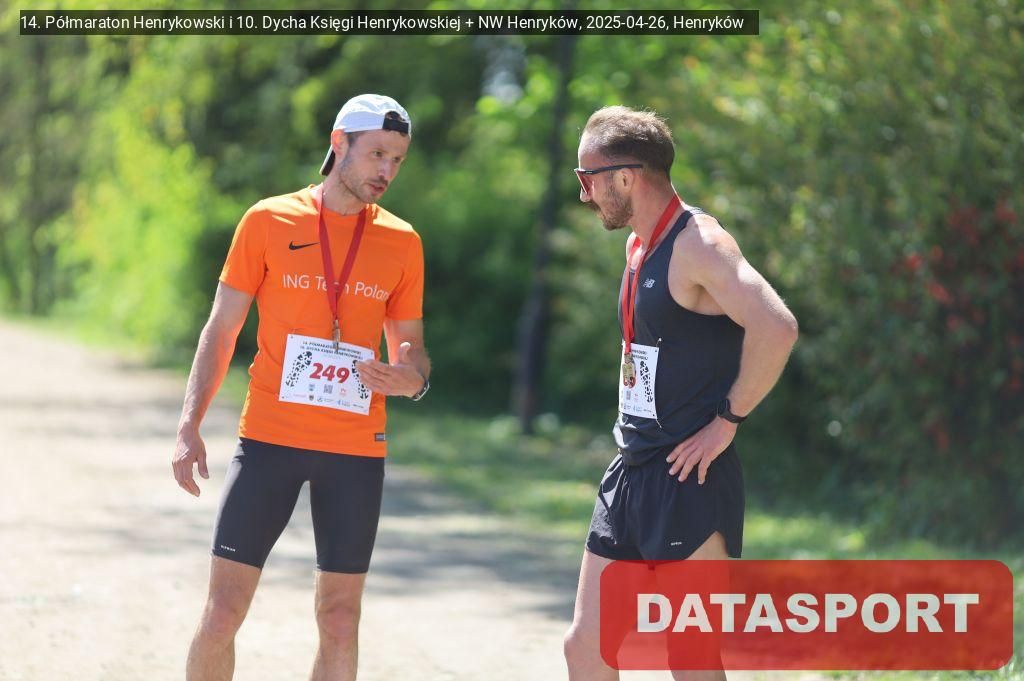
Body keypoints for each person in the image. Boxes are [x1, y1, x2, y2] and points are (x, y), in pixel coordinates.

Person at [171, 94, 431, 681]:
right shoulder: (268, 220)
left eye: (397, 159)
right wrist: (189, 425)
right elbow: (222, 328)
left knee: (340, 619)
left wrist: (411, 378)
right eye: (377, 154)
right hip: (269, 440)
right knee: (223, 611)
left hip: (355, 452)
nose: (387, 170)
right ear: (339, 143)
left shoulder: (402, 241)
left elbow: (411, 349)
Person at [563, 106, 799, 680]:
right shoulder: (640, 244)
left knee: (690, 657)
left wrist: (728, 420)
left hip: (690, 477)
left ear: (625, 177)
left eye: (587, 178)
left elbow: (777, 327)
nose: (584, 194)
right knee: (586, 649)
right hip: (632, 468)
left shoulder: (701, 244)